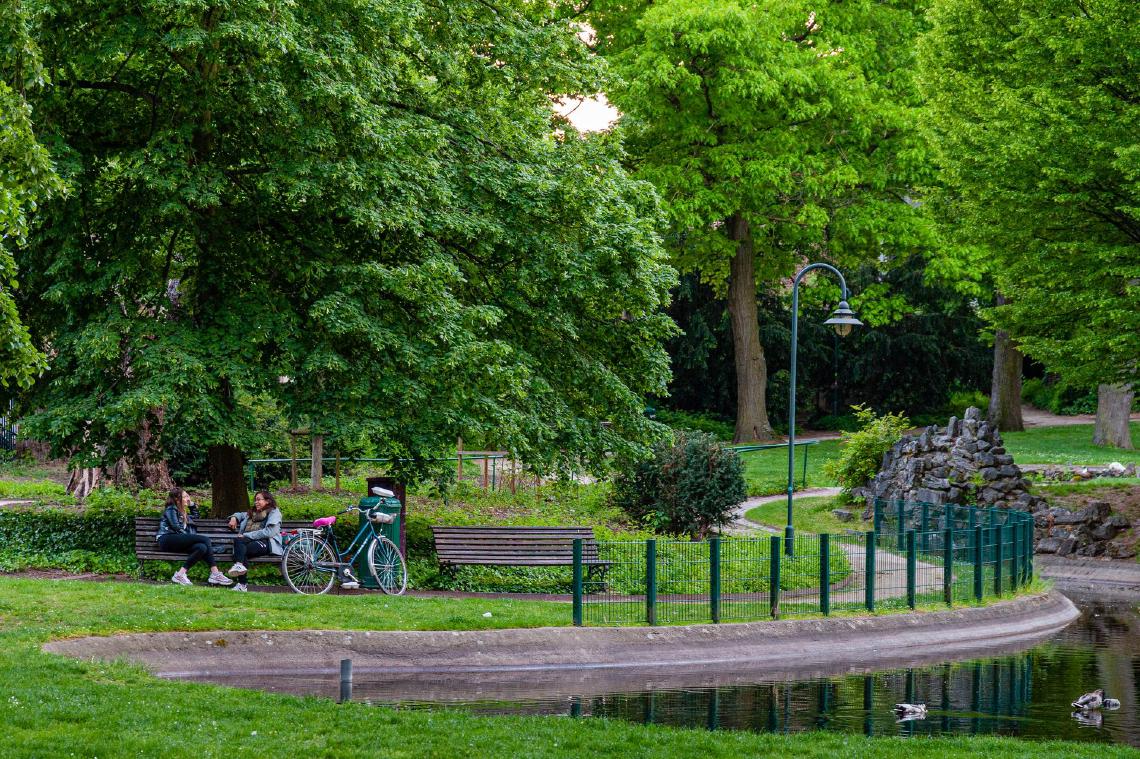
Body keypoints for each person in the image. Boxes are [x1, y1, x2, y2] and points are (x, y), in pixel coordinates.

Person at [156, 488, 233, 587]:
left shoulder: (183, 513)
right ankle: (215, 573)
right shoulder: (171, 509)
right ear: (177, 499)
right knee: (205, 539)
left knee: (202, 547)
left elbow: (196, 517)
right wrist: (189, 538)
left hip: (178, 541)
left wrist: (192, 506)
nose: (188, 499)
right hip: (166, 539)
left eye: (188, 496)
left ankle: (180, 574)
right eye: (185, 497)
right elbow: (176, 527)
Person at [226, 490, 284, 592]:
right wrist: (234, 518)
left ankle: (242, 583)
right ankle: (240, 569)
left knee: (239, 546)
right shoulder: (252, 513)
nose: (256, 502)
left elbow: (269, 532)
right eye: (255, 500)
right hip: (250, 542)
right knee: (240, 547)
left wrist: (246, 535)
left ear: (267, 501)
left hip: (267, 543)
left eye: (258, 500)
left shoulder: (274, 512)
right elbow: (240, 514)